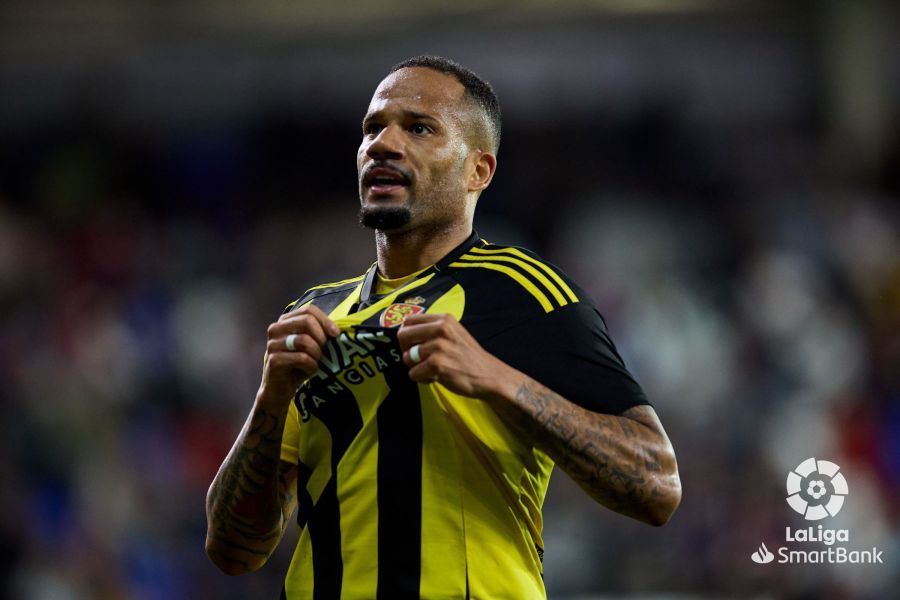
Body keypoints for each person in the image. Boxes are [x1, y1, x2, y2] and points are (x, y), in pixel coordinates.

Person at [205, 55, 681, 599]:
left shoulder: (521, 292)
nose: (383, 144)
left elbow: (656, 485)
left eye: (419, 128)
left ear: (479, 171)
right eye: (372, 128)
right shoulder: (314, 313)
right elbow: (232, 551)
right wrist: (271, 397)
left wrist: (496, 378)